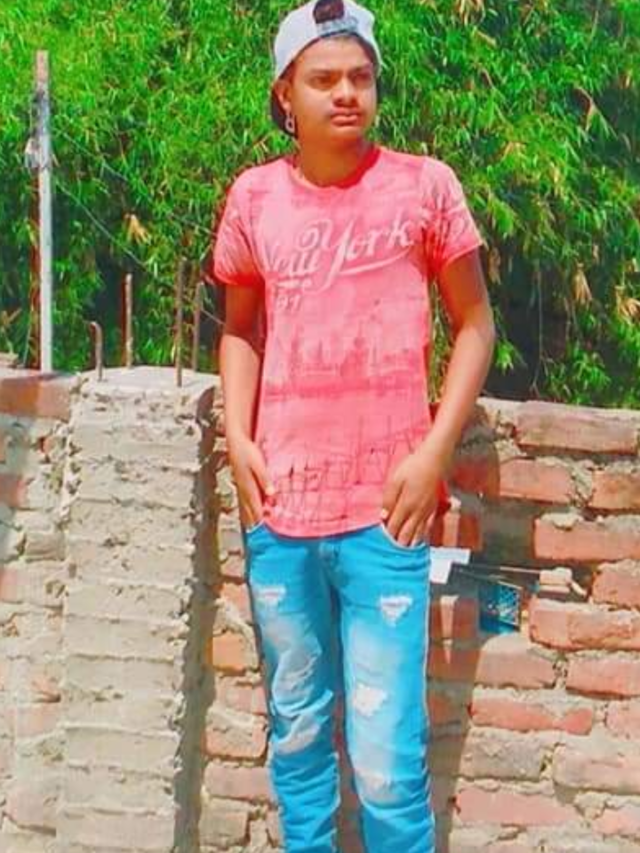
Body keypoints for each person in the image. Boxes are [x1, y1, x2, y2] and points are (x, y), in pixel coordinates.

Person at [209, 1, 495, 851]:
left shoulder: (424, 188)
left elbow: (476, 326)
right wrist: (239, 440)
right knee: (297, 734)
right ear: (285, 94)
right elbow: (240, 329)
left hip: (386, 516)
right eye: (323, 79)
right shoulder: (256, 198)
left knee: (386, 764)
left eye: (360, 77)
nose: (345, 94)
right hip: (280, 514)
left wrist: (433, 452)